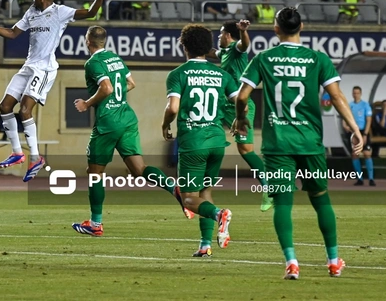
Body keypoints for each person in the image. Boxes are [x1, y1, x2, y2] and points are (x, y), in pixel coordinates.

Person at [234, 7, 362, 279]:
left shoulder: (264, 58)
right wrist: (355, 128)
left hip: (278, 143)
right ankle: (333, 261)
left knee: (283, 204)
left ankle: (292, 262)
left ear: (276, 29)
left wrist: (240, 119)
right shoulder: (318, 59)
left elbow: (242, 97)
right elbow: (337, 97)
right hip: (310, 143)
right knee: (320, 199)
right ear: (301, 26)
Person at [0, 0, 117, 181]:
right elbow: (12, 33)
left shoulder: (59, 12)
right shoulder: (31, 12)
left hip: (45, 68)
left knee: (24, 110)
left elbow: (90, 13)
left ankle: (36, 158)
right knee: (4, 106)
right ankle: (17, 153)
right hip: (29, 66)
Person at [72, 26, 184, 237]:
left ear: (88, 41)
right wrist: (116, 96)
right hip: (127, 119)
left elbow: (106, 88)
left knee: (95, 173)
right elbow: (131, 84)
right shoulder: (115, 58)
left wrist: (87, 104)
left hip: (108, 123)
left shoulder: (93, 63)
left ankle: (95, 224)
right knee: (139, 169)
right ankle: (173, 187)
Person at [163, 24, 236, 256]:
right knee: (205, 192)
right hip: (217, 141)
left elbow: (173, 107)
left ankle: (219, 215)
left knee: (188, 199)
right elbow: (240, 100)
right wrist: (240, 120)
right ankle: (205, 245)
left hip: (193, 143)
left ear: (183, 46)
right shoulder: (222, 75)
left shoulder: (177, 74)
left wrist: (165, 124)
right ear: (208, 47)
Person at [206, 21, 273, 211]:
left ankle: (270, 186)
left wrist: (243, 32)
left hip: (241, 107)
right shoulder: (225, 53)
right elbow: (211, 53)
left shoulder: (236, 49)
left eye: (220, 34)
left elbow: (244, 45)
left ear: (228, 35)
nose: (218, 37)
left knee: (246, 150)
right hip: (224, 106)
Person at [344, 86, 375, 186]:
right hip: (354, 132)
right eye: (354, 93)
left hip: (362, 131)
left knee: (367, 154)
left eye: (357, 93)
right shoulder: (350, 105)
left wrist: (365, 134)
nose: (355, 94)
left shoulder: (365, 105)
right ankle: (360, 179)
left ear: (360, 93)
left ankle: (371, 178)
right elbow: (345, 117)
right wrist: (345, 125)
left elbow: (369, 120)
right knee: (355, 154)